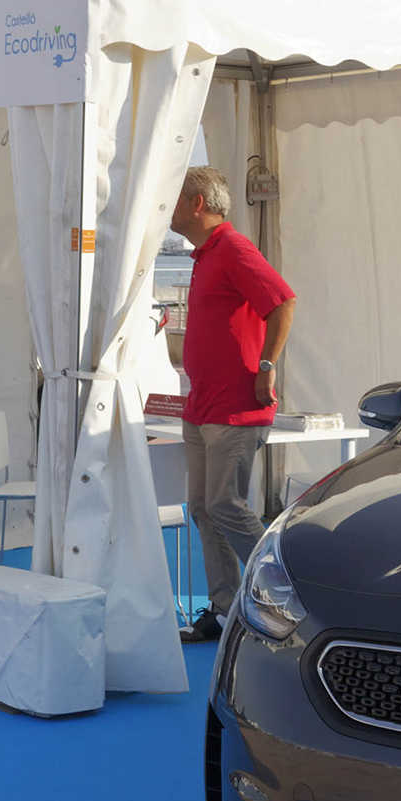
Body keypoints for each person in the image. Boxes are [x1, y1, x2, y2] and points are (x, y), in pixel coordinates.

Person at [169, 166, 296, 642]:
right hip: (204, 407)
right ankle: (224, 609)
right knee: (203, 507)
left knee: (225, 504)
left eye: (176, 199)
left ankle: (287, 594)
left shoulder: (233, 248)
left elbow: (282, 301)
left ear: (197, 203)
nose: (170, 209)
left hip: (234, 410)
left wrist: (267, 365)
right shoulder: (206, 254)